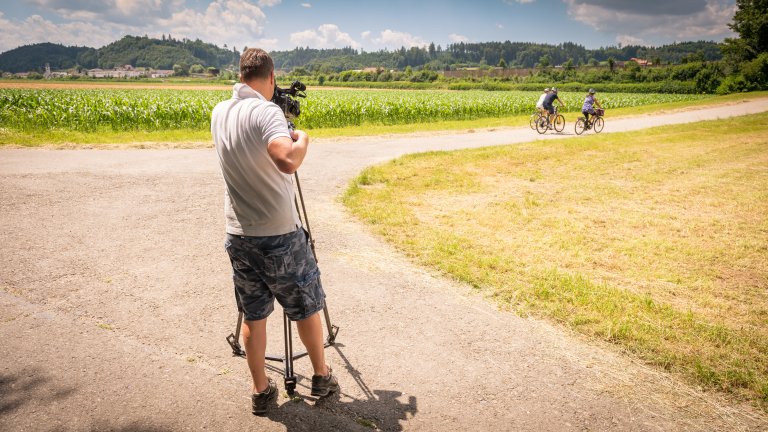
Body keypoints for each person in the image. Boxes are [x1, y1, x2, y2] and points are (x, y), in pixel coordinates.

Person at [211, 48, 338, 416]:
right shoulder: (266, 112)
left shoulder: (220, 112)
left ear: (241, 76)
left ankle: (261, 391)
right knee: (305, 306)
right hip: (279, 233)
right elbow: (286, 160)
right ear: (271, 77)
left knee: (254, 315)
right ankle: (320, 376)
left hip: (238, 232)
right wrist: (302, 139)